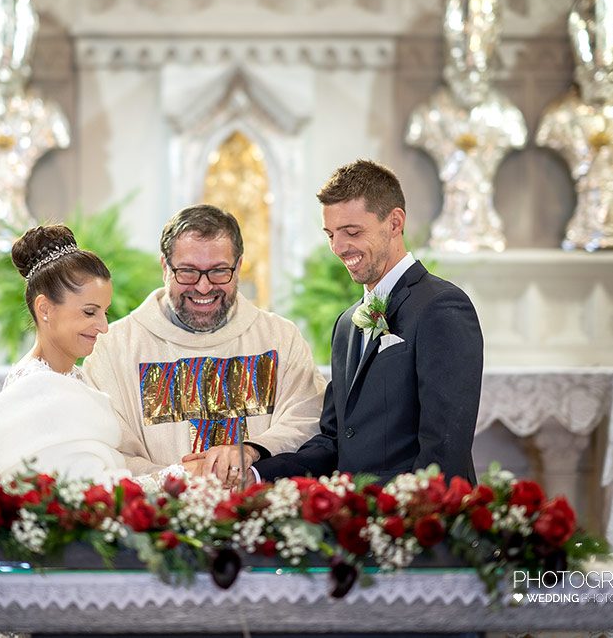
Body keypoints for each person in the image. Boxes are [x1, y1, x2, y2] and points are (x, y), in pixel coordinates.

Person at [252, 160, 484, 484]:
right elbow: (333, 442)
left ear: (395, 223)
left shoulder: (441, 307)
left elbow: (444, 450)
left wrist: (402, 512)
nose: (338, 247)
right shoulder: (346, 325)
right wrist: (255, 472)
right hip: (355, 511)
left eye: (352, 232)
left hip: (415, 511)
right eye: (331, 234)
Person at [83, 205, 325, 478]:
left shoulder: (280, 338)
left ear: (239, 267)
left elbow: (307, 419)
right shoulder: (114, 348)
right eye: (188, 271)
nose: (203, 287)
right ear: (165, 267)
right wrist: (178, 477)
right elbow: (104, 450)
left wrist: (252, 450)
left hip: (260, 501)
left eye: (219, 271)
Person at [0, 225, 129, 482]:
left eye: (104, 312)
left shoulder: (75, 376)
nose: (104, 327)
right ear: (45, 309)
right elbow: (80, 490)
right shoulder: (33, 388)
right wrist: (174, 476)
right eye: (89, 312)